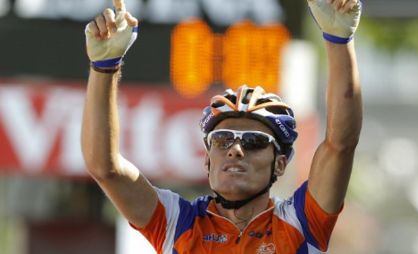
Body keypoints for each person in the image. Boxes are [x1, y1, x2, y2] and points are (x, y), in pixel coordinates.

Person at [81, 0, 362, 253]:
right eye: (223, 140)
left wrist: (339, 40)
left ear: (279, 164)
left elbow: (341, 144)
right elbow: (105, 168)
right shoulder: (177, 222)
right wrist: (104, 67)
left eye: (253, 142)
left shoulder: (301, 221)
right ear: (207, 158)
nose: (235, 150)